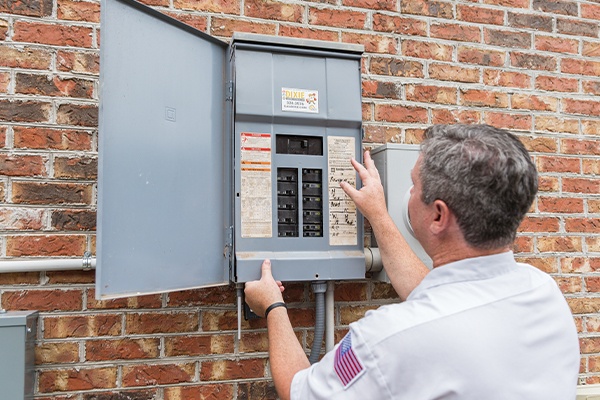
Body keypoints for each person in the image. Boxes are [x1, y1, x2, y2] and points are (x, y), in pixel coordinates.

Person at [244, 124, 580, 399]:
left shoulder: (386, 339)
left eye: (414, 185)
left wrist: (272, 304)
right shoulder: (543, 292)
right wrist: (378, 213)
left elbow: (298, 391)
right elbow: (439, 302)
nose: (408, 193)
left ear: (438, 215)